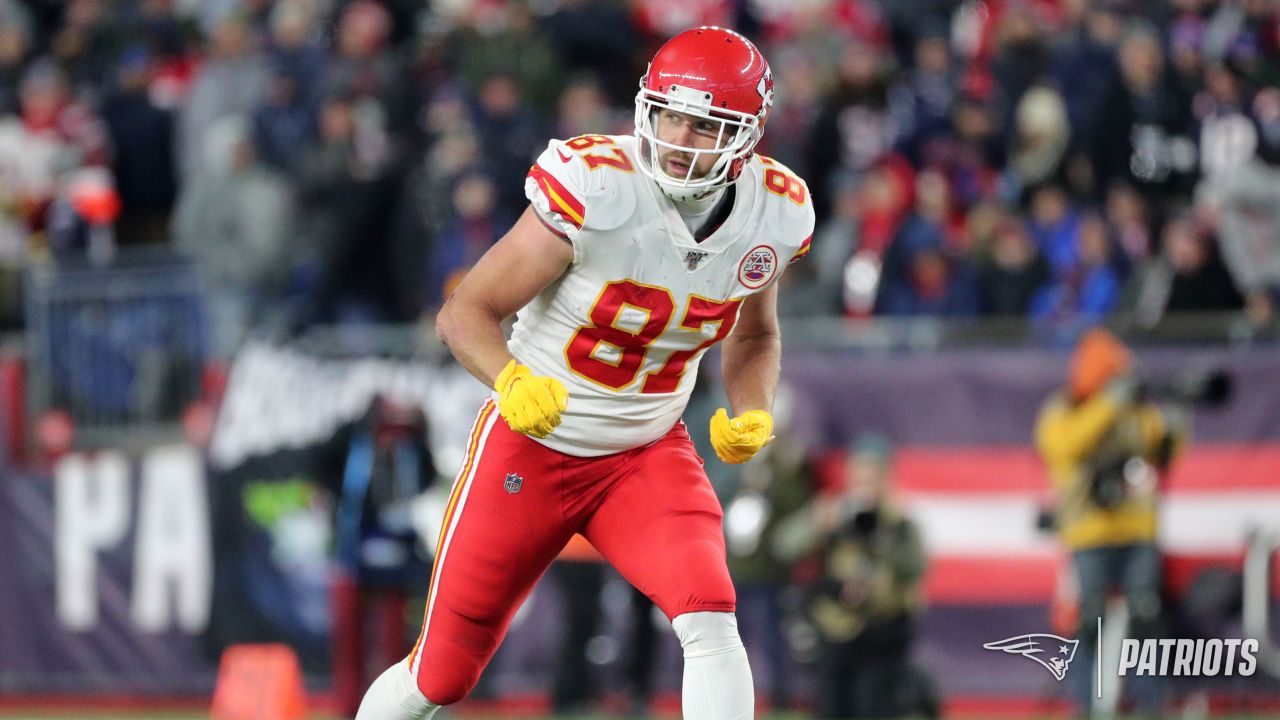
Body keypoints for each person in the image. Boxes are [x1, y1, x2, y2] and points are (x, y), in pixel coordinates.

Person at [355, 26, 813, 720]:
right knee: (440, 675)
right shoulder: (597, 184)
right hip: (531, 447)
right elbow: (465, 312)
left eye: (705, 126)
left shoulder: (774, 212)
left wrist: (755, 407)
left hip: (643, 452)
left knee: (711, 613)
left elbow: (755, 336)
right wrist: (510, 379)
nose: (680, 138)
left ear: (745, 138)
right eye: (669, 115)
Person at [1035, 328, 1188, 715]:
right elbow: (1062, 447)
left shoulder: (1136, 412)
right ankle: (1086, 704)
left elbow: (1163, 450)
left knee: (1145, 618)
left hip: (1137, 529)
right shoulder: (1062, 410)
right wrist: (1108, 403)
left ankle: (1151, 702)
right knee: (1090, 622)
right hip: (1089, 532)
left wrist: (1178, 417)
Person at [773, 433, 933, 720]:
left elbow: (914, 566)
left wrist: (882, 533)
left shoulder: (900, 523)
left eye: (872, 477)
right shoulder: (834, 513)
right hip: (837, 634)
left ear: (886, 479)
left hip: (882, 635)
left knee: (874, 706)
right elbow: (784, 547)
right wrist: (818, 523)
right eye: (859, 477)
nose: (864, 486)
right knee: (831, 707)